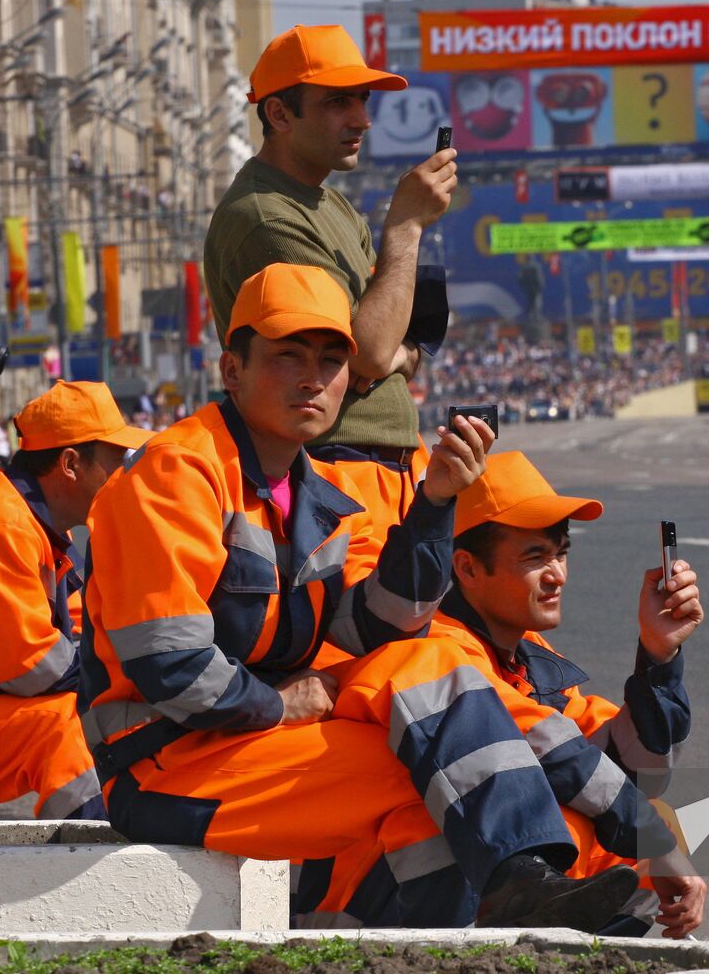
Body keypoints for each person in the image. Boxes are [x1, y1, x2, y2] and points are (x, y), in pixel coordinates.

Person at [79, 263, 639, 930]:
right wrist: (278, 704)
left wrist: (433, 505)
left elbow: (376, 629)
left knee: (436, 726)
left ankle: (484, 907)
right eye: (288, 357)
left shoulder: (316, 494)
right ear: (232, 370)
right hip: (165, 766)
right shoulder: (178, 472)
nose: (313, 378)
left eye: (331, 359)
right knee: (441, 772)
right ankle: (518, 891)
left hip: (250, 749)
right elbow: (168, 662)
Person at [433, 451, 708, 938]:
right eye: (534, 557)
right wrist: (655, 840)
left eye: (560, 553)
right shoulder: (439, 647)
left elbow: (637, 771)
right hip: (400, 918)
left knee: (640, 817)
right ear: (468, 568)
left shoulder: (525, 652)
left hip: (468, 900)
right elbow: (560, 755)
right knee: (601, 823)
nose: (557, 574)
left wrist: (658, 655)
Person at [204, 24, 456, 540]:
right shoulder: (267, 218)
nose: (362, 119)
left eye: (362, 100)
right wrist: (406, 227)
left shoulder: (327, 202)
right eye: (338, 103)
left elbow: (383, 343)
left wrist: (394, 353)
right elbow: (367, 353)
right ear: (279, 114)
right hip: (336, 469)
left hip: (380, 466)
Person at [0, 381, 151, 821]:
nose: (123, 474)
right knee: (63, 727)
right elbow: (27, 664)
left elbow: (87, 630)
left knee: (104, 710)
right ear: (70, 464)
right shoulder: (0, 522)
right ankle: (94, 878)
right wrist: (130, 676)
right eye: (115, 461)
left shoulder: (37, 524)